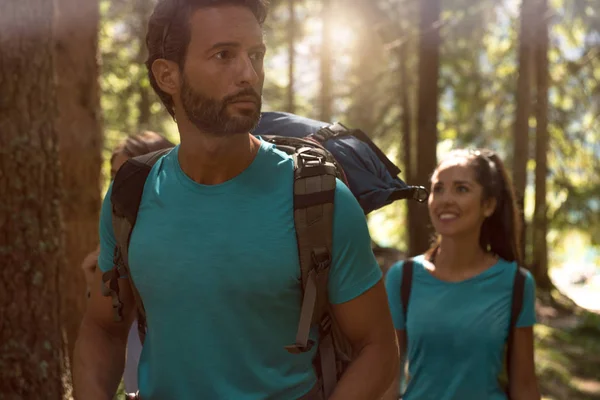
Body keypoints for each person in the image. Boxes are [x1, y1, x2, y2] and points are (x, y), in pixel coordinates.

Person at [73, 1, 398, 399]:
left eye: (256, 55)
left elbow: (377, 347)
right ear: (167, 75)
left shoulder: (319, 198)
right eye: (224, 55)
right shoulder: (131, 194)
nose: (249, 74)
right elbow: (103, 328)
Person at [384, 148, 541, 399]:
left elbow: (525, 386)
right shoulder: (402, 278)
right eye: (438, 188)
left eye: (461, 189)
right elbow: (387, 381)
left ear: (488, 205)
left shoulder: (517, 284)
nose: (446, 199)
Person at [80, 131, 175, 394]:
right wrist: (94, 283)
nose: (119, 186)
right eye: (114, 175)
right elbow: (106, 329)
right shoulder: (115, 231)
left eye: (129, 174)